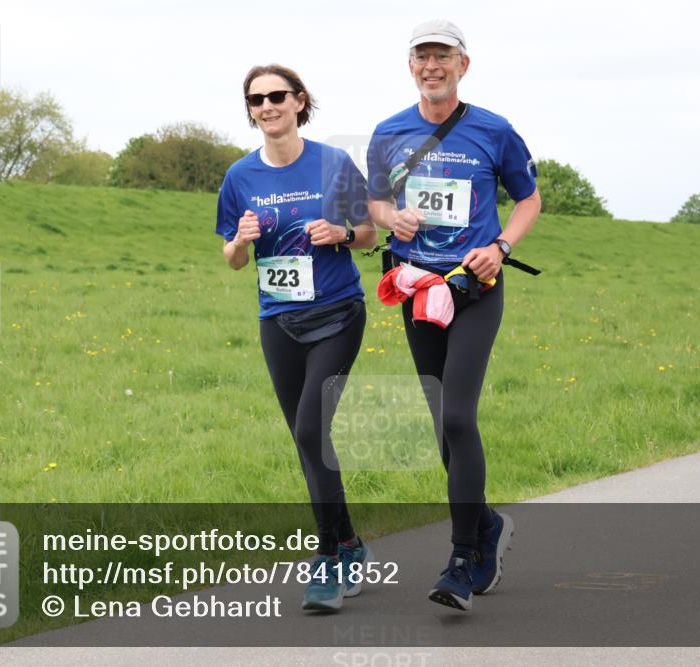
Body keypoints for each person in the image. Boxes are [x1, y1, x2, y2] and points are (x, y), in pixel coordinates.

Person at [366, 19, 542, 611]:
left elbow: (529, 196)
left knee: (459, 416)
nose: (431, 66)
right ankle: (487, 524)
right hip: (416, 288)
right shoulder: (389, 133)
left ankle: (464, 557)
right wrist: (392, 220)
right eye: (422, 57)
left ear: (463, 65)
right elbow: (376, 200)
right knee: (443, 420)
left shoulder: (494, 130)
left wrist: (503, 247)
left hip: (474, 288)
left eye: (442, 56)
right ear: (411, 66)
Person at [216, 64, 378, 611]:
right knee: (307, 440)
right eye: (256, 99)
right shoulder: (240, 176)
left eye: (277, 96)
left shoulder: (333, 163)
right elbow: (233, 260)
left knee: (312, 428)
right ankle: (352, 543)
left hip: (336, 313)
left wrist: (341, 232)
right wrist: (239, 242)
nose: (267, 106)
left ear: (299, 100)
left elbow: (369, 235)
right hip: (277, 321)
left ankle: (328, 558)